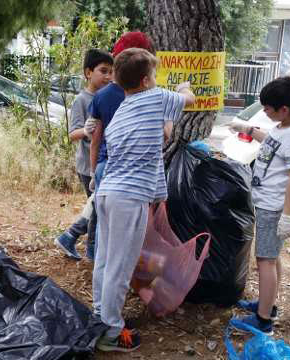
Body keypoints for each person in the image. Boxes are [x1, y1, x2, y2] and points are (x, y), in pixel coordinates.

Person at [93, 47, 195, 352]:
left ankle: (100, 316)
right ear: (146, 80)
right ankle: (111, 333)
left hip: (108, 193)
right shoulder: (155, 97)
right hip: (127, 198)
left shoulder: (124, 109)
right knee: (120, 268)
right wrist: (183, 88)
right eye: (154, 75)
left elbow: (153, 143)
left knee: (105, 261)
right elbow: (188, 101)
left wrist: (157, 194)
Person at [228, 76, 290, 334]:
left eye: (267, 109)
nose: (264, 112)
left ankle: (263, 320)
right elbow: (270, 142)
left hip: (274, 208)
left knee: (265, 260)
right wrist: (248, 129)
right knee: (271, 258)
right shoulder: (283, 127)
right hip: (267, 204)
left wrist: (287, 216)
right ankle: (268, 304)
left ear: (284, 110)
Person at [84, 31, 154, 261]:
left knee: (105, 230)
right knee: (129, 236)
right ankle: (125, 275)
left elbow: (96, 139)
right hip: (135, 175)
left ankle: (100, 267)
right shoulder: (150, 96)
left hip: (106, 169)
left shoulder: (102, 96)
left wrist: (94, 172)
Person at [54, 49, 114, 260]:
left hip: (105, 162)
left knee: (97, 207)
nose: (108, 76)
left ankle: (69, 238)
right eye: (103, 71)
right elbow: (72, 134)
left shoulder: (109, 97)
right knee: (97, 210)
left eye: (111, 72)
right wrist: (87, 130)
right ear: (88, 72)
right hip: (88, 165)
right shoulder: (82, 99)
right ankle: (89, 249)